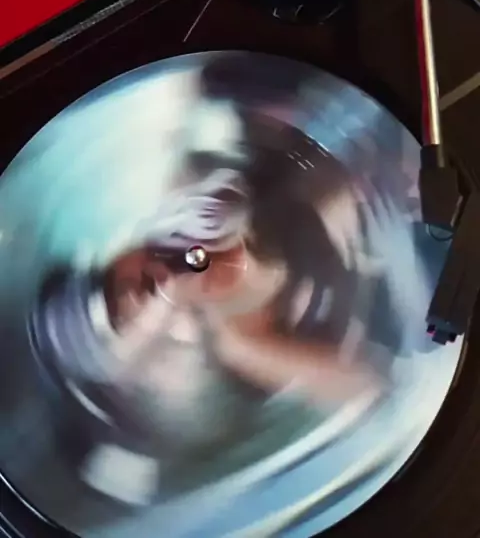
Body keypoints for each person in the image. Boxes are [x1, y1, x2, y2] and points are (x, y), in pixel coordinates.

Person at [28, 54, 397, 505]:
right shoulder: (242, 348)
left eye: (113, 283)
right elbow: (370, 385)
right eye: (123, 320)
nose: (145, 294)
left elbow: (192, 86)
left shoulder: (186, 196)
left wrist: (224, 178)